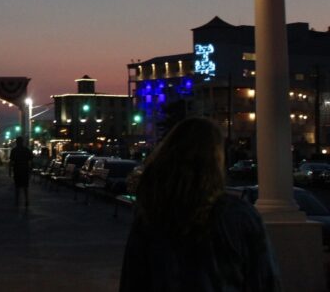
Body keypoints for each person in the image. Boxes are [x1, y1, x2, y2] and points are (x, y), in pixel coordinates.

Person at [119, 117, 281, 291]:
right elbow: (265, 281)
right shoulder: (239, 216)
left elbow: (132, 281)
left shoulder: (151, 216)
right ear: (216, 159)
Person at [9, 136, 33, 207]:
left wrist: (10, 171)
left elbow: (11, 161)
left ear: (16, 142)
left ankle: (17, 201)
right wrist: (30, 170)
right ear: (23, 142)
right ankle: (26, 200)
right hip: (25, 169)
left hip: (17, 169)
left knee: (17, 186)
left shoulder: (14, 150)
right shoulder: (27, 150)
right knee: (25, 186)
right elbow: (31, 160)